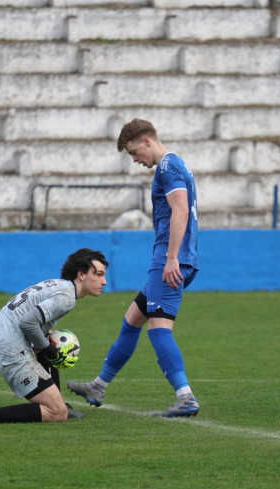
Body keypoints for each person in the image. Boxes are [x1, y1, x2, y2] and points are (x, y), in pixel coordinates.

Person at [67, 118, 201, 418]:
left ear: (146, 141)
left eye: (133, 152)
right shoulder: (174, 166)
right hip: (175, 257)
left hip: (170, 259)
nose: (135, 160)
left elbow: (180, 209)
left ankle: (186, 396)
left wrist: (171, 258)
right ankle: (99, 386)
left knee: (159, 329)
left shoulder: (169, 167)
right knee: (132, 320)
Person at [0, 248, 108, 425]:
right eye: (99, 274)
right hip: (8, 348)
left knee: (48, 339)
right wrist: (48, 348)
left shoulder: (59, 286)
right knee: (57, 413)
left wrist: (46, 345)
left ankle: (59, 402)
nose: (103, 281)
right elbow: (27, 323)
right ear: (81, 274)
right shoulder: (66, 297)